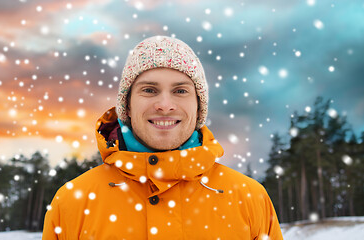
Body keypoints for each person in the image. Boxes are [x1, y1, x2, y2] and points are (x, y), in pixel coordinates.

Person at [42, 36, 283, 240]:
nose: (165, 106)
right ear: (127, 105)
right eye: (149, 90)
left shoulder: (249, 198)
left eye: (180, 91)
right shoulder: (73, 202)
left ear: (199, 107)